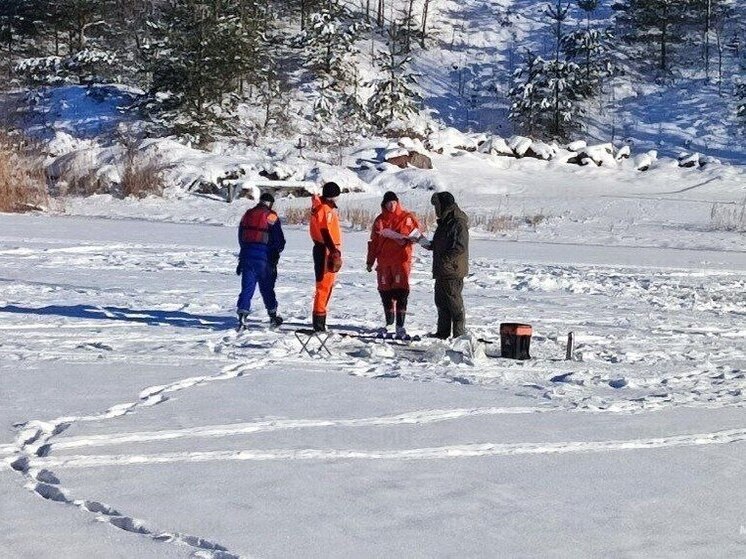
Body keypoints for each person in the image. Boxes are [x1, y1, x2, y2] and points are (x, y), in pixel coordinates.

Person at [366, 191, 422, 336]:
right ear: (384, 204)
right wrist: (370, 261)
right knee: (385, 292)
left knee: (402, 291)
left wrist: (406, 238)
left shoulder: (407, 218)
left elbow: (417, 234)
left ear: (397, 203)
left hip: (401, 261)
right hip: (384, 262)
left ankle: (400, 325)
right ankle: (389, 323)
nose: (391, 206)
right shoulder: (379, 220)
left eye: (394, 203)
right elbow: (373, 242)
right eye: (388, 203)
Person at [236, 192, 286, 329]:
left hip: (247, 255)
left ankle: (242, 314)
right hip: (264, 257)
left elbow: (241, 235)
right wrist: (277, 251)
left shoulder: (248, 214)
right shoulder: (271, 216)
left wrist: (243, 252)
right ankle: (273, 315)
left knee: (247, 287)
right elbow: (278, 238)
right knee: (267, 288)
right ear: (270, 203)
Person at [424, 191, 469, 338]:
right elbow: (442, 243)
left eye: (437, 206)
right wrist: (428, 245)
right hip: (442, 270)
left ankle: (459, 336)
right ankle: (442, 333)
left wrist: (444, 258)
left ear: (444, 205)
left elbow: (460, 247)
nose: (436, 209)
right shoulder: (445, 221)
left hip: (452, 271)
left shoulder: (458, 222)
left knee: (454, 305)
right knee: (441, 303)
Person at [309, 182, 342, 332]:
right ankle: (319, 324)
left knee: (327, 286)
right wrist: (333, 250)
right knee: (323, 286)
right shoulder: (324, 209)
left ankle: (321, 320)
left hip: (326, 249)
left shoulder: (324, 208)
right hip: (325, 250)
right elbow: (324, 231)